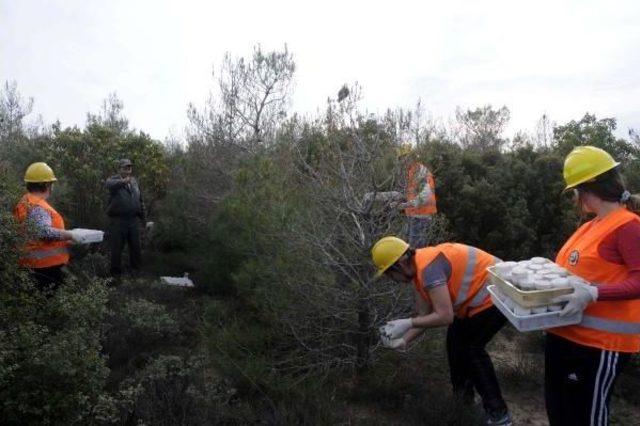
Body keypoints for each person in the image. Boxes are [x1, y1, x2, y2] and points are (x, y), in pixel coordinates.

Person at [545, 146, 640, 426]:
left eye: (574, 190)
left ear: (586, 188)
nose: (575, 198)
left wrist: (594, 292)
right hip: (563, 335)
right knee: (560, 413)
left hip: (598, 347)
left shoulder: (628, 226)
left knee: (585, 418)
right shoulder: (591, 225)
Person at [372, 236, 512, 426]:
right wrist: (404, 340)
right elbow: (424, 315)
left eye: (389, 273)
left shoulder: (429, 270)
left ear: (400, 264)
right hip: (476, 302)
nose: (391, 279)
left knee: (471, 350)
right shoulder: (418, 271)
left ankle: (499, 415)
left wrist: (407, 323)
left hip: (498, 294)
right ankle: (463, 406)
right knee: (455, 347)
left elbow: (445, 316)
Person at [13, 162, 80, 291]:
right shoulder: (38, 206)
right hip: (45, 268)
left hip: (29, 265)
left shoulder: (26, 201)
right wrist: (71, 234)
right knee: (48, 305)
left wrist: (65, 240)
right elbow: (43, 232)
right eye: (51, 183)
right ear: (47, 185)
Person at [106, 158, 145, 277]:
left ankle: (135, 273)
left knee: (136, 248)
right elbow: (109, 185)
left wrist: (143, 218)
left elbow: (140, 200)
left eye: (129, 168)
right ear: (119, 169)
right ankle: (115, 275)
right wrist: (123, 182)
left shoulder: (134, 182)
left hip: (133, 221)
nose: (128, 170)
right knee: (117, 249)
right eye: (125, 168)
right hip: (118, 221)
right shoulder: (113, 180)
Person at [396, 144, 437, 248]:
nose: (402, 161)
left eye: (403, 158)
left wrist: (407, 205)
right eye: (400, 159)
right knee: (409, 247)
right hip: (413, 216)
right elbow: (411, 193)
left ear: (410, 157)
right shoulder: (410, 171)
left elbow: (425, 195)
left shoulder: (419, 171)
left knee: (416, 250)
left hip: (421, 216)